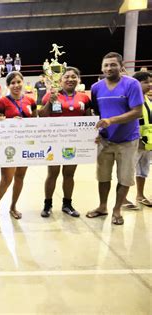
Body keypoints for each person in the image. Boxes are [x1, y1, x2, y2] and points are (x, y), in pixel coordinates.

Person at [86, 52, 143, 225]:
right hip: (105, 140)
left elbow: (137, 111)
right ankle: (102, 206)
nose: (109, 68)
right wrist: (92, 134)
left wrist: (111, 120)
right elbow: (95, 113)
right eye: (106, 65)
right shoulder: (96, 88)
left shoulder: (132, 84)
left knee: (124, 177)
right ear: (102, 68)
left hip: (127, 140)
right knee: (103, 176)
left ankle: (117, 209)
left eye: (113, 65)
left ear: (121, 66)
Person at [38, 67, 92, 218]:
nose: (70, 79)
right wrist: (50, 102)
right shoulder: (51, 95)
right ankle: (47, 205)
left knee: (69, 174)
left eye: (74, 77)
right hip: (55, 141)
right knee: (52, 173)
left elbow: (88, 120)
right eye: (66, 77)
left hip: (73, 143)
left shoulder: (84, 98)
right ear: (61, 80)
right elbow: (41, 115)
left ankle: (67, 204)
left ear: (78, 80)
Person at [0, 71, 37, 221]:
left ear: (23, 82)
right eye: (12, 83)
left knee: (20, 177)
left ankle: (13, 207)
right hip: (8, 147)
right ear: (8, 85)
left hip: (26, 145)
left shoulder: (30, 100)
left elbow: (35, 121)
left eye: (18, 82)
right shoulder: (2, 102)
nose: (16, 85)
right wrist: (10, 122)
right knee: (6, 179)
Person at [122, 71, 152, 209]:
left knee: (143, 170)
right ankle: (122, 198)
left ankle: (140, 195)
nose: (149, 85)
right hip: (133, 140)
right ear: (136, 84)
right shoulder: (128, 99)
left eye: (150, 82)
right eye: (146, 82)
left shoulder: (148, 100)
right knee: (127, 171)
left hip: (148, 142)